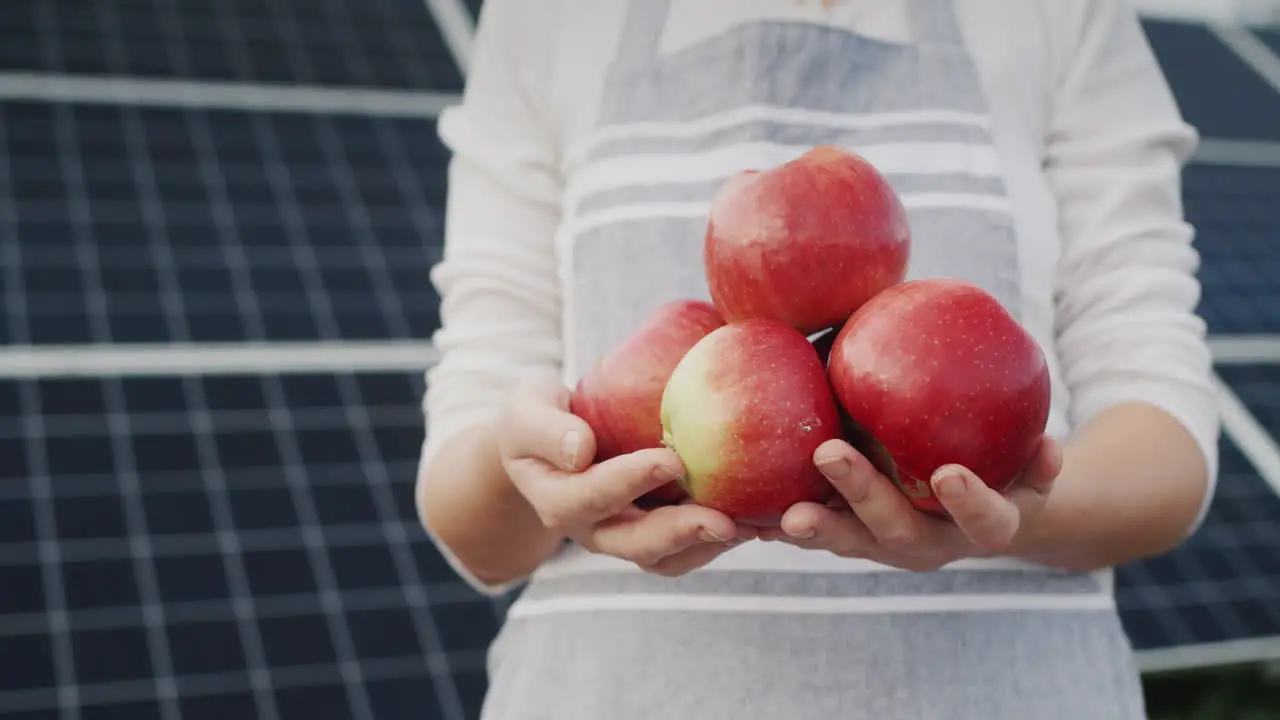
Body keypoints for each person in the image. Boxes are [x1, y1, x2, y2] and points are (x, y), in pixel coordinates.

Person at [415, 0, 1220, 717]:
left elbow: (1168, 449)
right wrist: (534, 461)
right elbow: (477, 526)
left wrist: (1007, 520)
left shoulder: (1062, 13)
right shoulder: (544, 16)